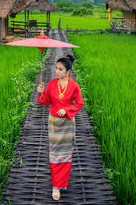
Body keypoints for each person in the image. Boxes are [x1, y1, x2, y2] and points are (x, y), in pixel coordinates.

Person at [37, 54, 84, 201]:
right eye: (56, 68)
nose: (57, 71)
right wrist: (41, 92)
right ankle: (55, 186)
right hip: (54, 123)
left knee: (66, 153)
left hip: (68, 124)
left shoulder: (74, 86)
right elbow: (45, 102)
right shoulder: (51, 84)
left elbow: (79, 103)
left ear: (68, 71)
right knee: (55, 154)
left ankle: (62, 183)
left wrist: (68, 110)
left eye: (60, 69)